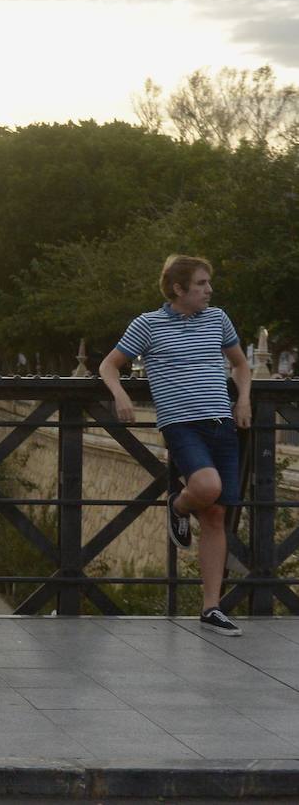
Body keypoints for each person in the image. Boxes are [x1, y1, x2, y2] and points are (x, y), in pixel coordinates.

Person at [99, 255, 251, 637]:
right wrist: (120, 396)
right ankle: (178, 504)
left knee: (216, 516)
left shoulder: (218, 319)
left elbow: (240, 364)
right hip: (182, 425)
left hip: (222, 423)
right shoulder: (147, 324)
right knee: (206, 489)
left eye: (208, 284)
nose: (209, 290)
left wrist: (244, 397)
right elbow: (109, 365)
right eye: (201, 284)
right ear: (178, 288)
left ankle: (211, 606)